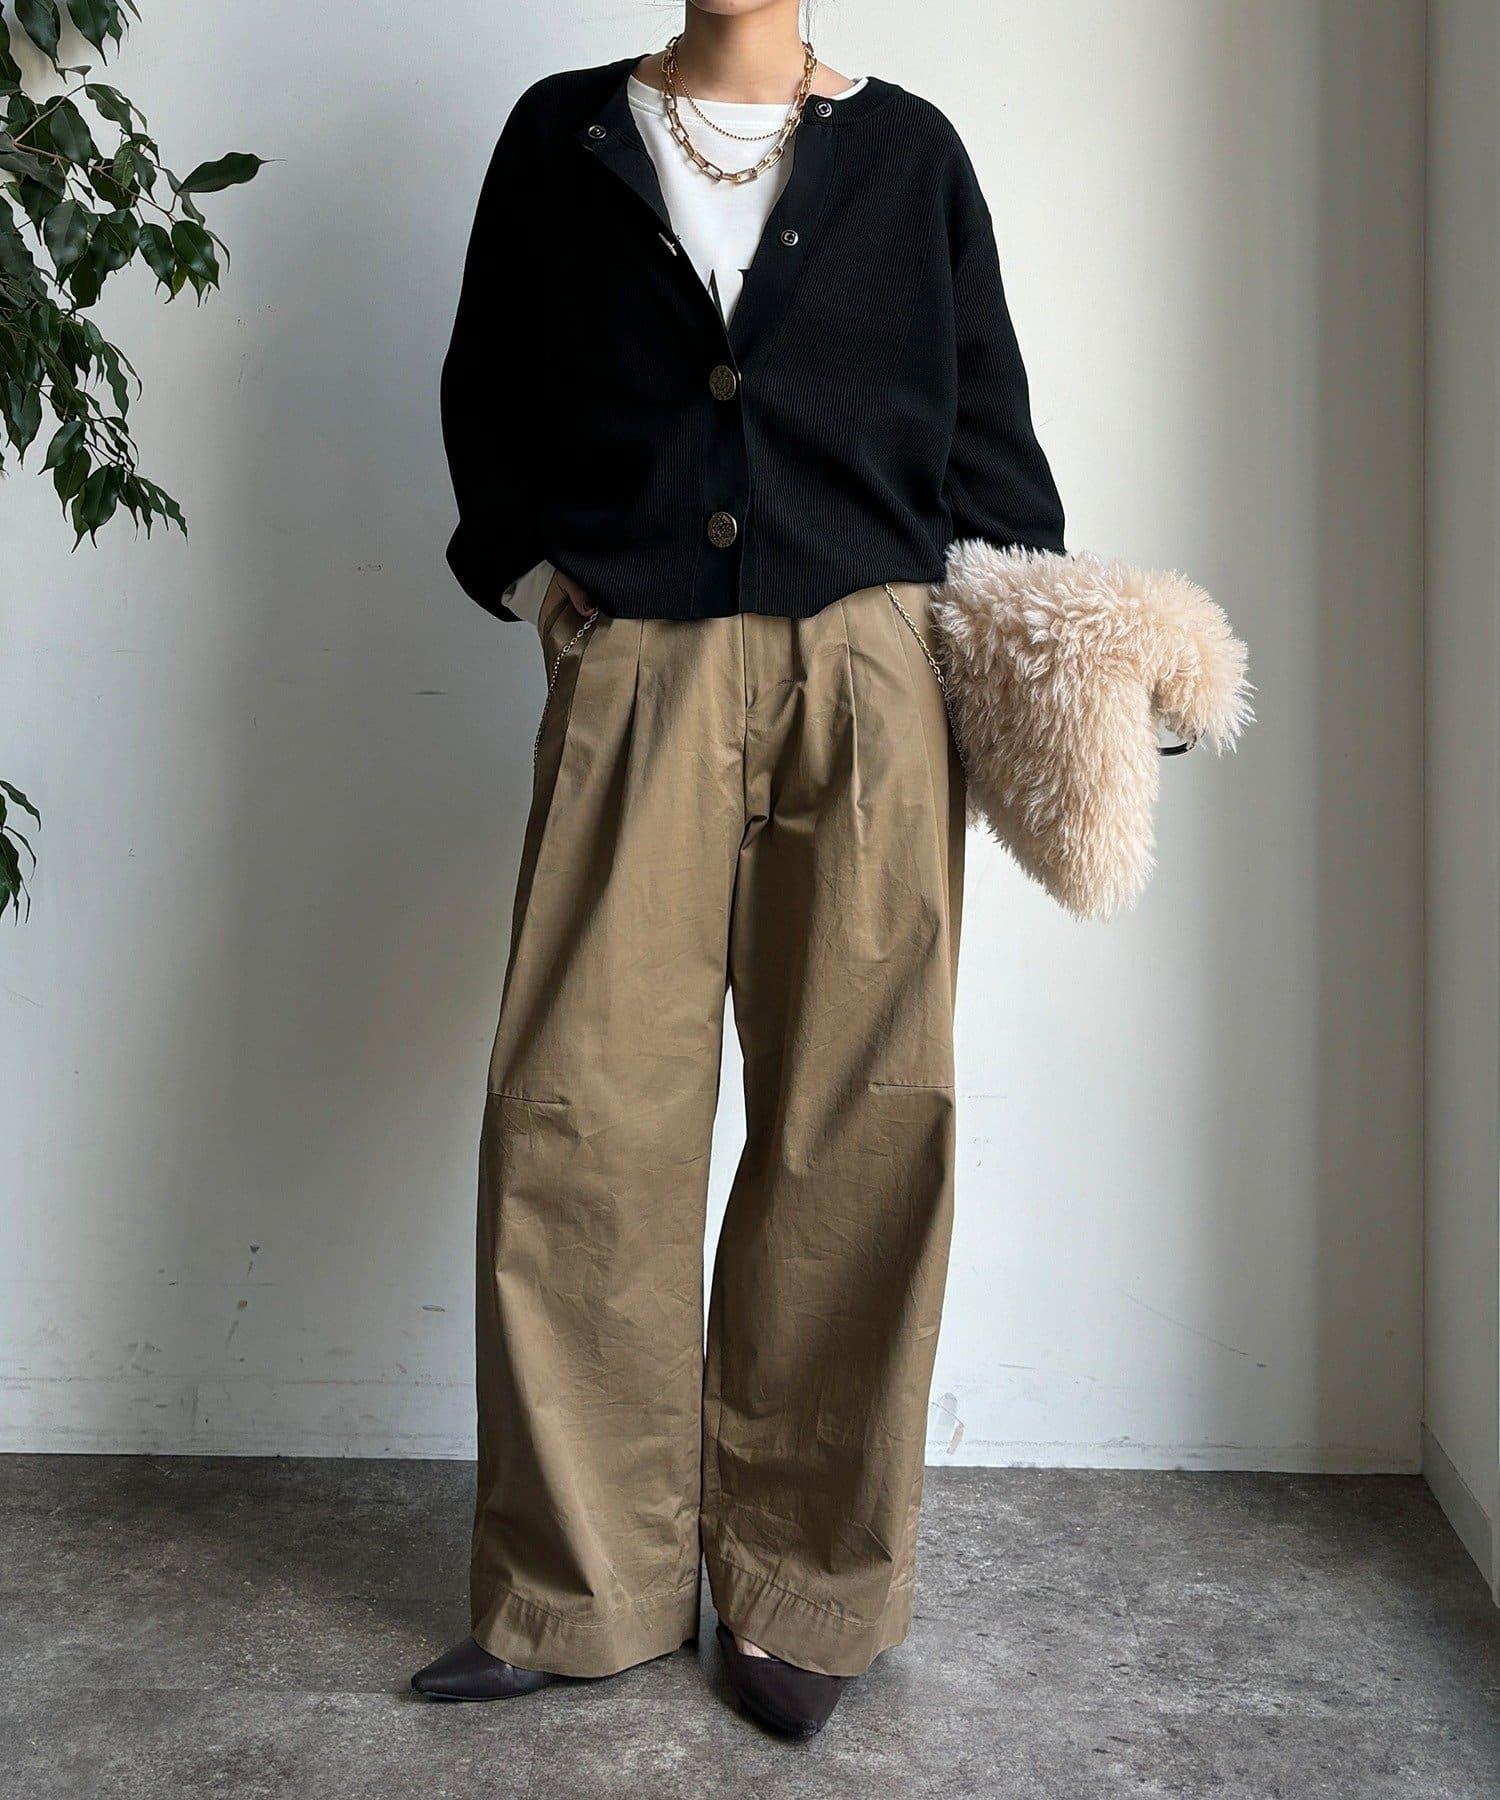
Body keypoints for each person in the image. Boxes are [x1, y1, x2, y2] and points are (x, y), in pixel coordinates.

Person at [414, 0, 1064, 1739]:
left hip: (877, 674)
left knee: (860, 1121)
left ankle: (806, 1592)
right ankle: (581, 1586)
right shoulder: (563, 134)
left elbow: (988, 432)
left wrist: (1036, 645)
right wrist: (539, 580)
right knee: (579, 1108)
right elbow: (490, 388)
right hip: (638, 662)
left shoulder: (910, 155)